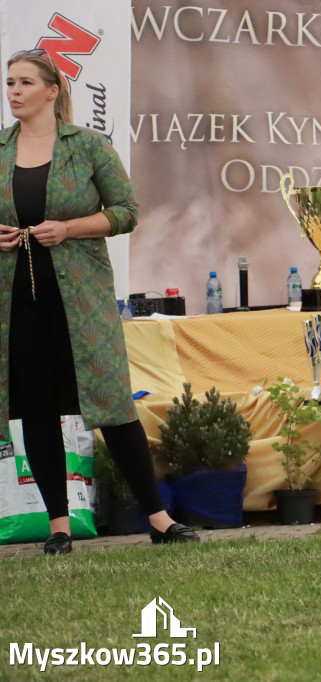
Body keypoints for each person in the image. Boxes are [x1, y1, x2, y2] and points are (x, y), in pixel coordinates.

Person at [0, 49, 199, 554]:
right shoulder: (0, 149)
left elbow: (127, 212)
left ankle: (159, 519)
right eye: (9, 83)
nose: (14, 91)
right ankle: (59, 528)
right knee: (39, 409)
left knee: (112, 404)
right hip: (16, 305)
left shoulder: (89, 146)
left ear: (53, 90)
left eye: (25, 82)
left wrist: (68, 228)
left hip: (82, 302)